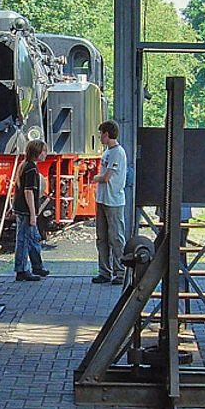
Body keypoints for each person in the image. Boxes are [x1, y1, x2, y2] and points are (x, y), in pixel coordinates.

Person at [92, 120, 127, 285]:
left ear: (106, 134)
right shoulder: (107, 152)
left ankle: (120, 272)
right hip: (103, 199)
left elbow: (107, 178)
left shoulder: (117, 153)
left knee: (116, 237)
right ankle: (104, 272)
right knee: (102, 238)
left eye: (101, 134)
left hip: (114, 201)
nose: (99, 137)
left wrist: (95, 178)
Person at [12, 139, 49, 281]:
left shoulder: (24, 165)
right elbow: (28, 192)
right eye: (44, 151)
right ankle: (21, 270)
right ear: (37, 153)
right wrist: (33, 214)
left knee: (34, 238)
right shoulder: (32, 169)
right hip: (27, 210)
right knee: (24, 239)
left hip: (21, 208)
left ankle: (37, 266)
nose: (45, 154)